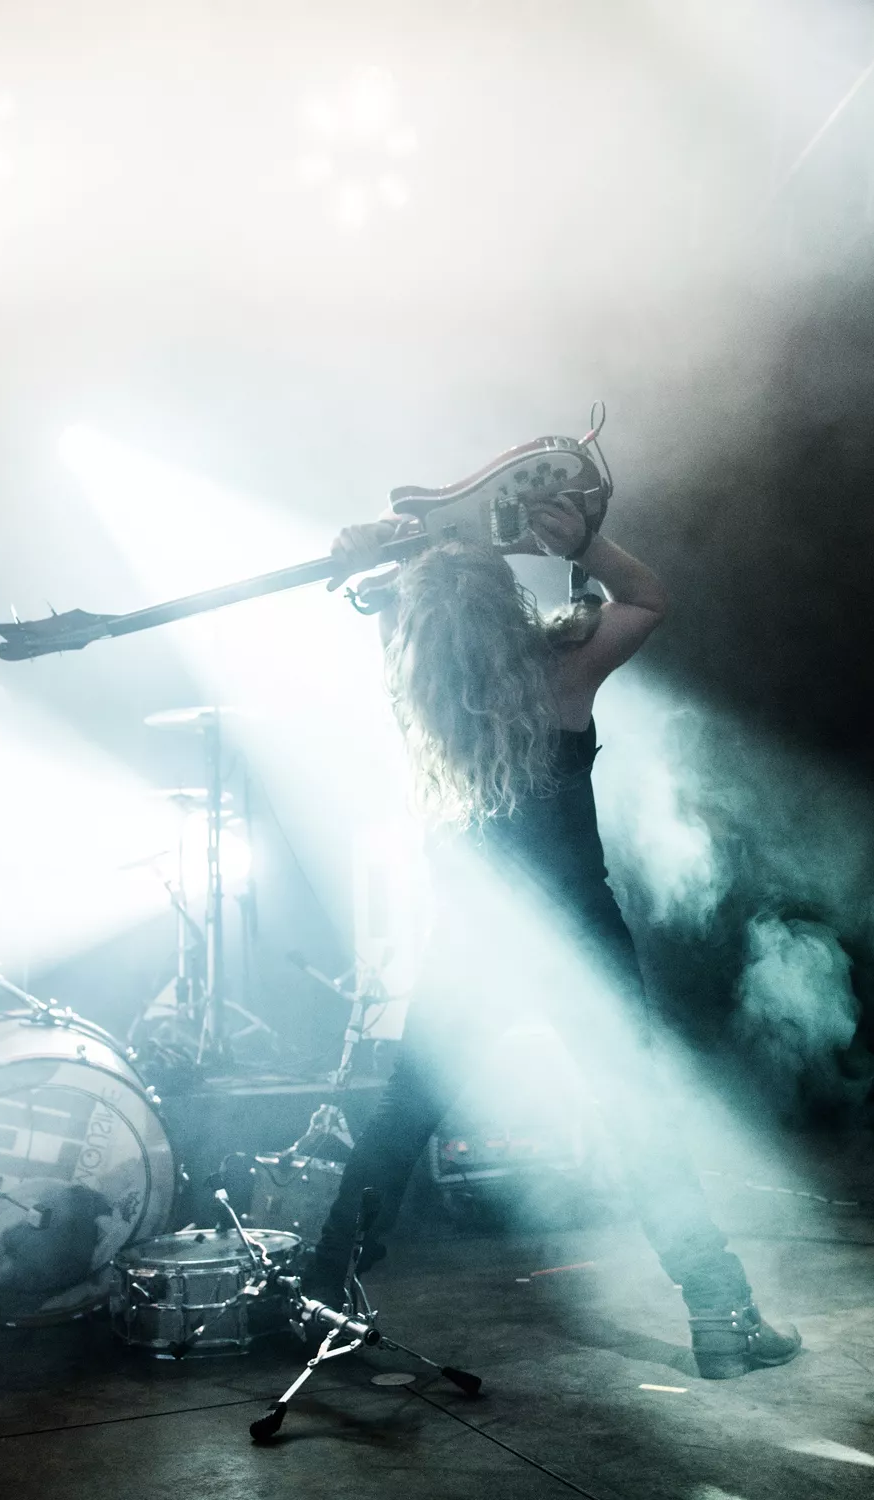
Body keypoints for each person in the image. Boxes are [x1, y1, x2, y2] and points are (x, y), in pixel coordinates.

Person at [306, 491, 801, 1381]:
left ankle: (319, 1299)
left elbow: (388, 612)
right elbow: (647, 599)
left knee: (399, 1121)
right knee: (640, 1121)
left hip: (475, 948)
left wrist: (372, 559)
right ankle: (720, 1316)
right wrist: (585, 543)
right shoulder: (558, 674)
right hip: (579, 943)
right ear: (505, 608)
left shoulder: (418, 694)